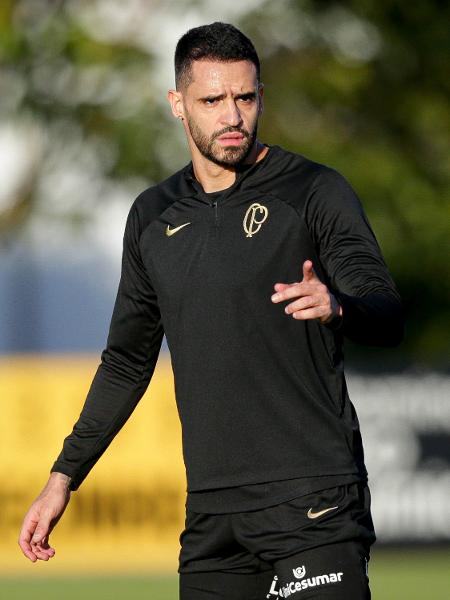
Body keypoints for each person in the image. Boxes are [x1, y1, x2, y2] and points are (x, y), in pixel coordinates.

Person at [19, 22, 403, 599]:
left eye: (245, 98)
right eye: (212, 100)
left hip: (314, 503)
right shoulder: (152, 216)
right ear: (178, 105)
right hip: (213, 521)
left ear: (260, 97)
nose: (232, 116)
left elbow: (386, 310)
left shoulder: (313, 191)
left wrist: (338, 307)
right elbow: (127, 362)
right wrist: (62, 480)